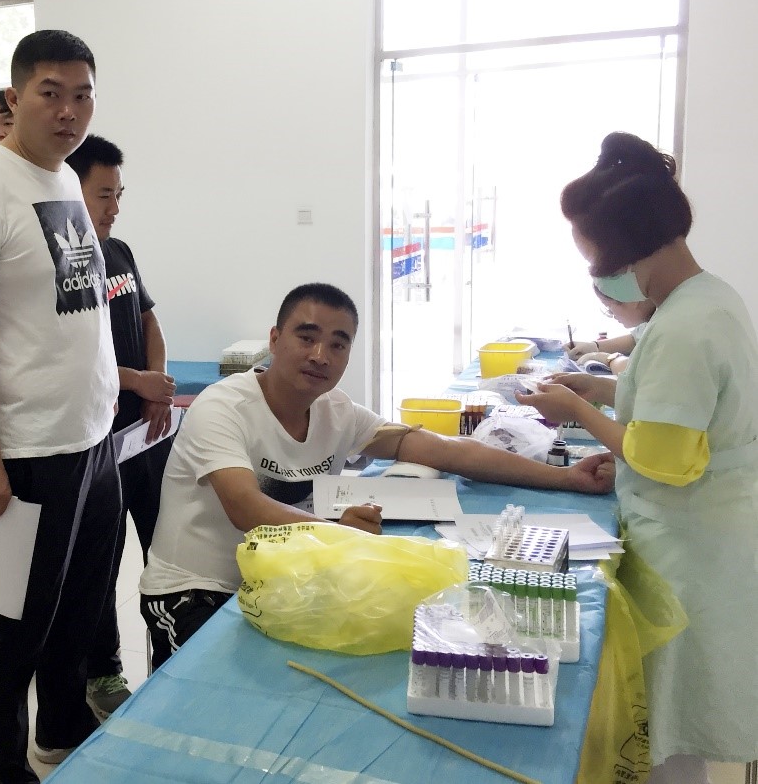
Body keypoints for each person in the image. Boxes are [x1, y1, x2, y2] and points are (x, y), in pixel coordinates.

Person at [139, 282, 617, 669]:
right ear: (274, 340)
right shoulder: (223, 407)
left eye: (338, 344)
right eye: (306, 337)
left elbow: (447, 451)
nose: (321, 355)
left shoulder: (337, 412)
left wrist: (566, 478)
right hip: (197, 590)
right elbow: (246, 508)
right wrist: (337, 531)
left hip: (280, 580)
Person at [517, 132, 758, 784]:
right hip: (704, 532)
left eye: (593, 259)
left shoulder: (686, 326)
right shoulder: (704, 299)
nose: (597, 277)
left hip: (690, 548)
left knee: (670, 729)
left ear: (626, 249)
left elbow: (663, 455)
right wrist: (598, 390)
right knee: (671, 724)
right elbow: (669, 406)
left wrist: (579, 412)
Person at [0, 29, 120, 783]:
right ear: (14, 99)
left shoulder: (64, 177)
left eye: (82, 95)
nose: (68, 110)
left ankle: (63, 723)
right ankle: (2, 771)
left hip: (91, 440)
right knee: (12, 627)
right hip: (27, 449)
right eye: (50, 93)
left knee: (78, 608)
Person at [65, 134, 174, 720]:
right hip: (98, 436)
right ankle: (102, 670)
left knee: (163, 542)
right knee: (100, 561)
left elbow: (149, 320)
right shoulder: (69, 262)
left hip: (145, 434)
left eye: (118, 194)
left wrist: (156, 384)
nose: (113, 207)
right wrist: (137, 382)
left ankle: (170, 653)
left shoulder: (120, 251)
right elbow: (77, 353)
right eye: (103, 194)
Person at [567, 283, 656, 374]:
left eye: (608, 305)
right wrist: (594, 346)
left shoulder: (663, 323)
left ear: (631, 299)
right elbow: (636, 338)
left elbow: (640, 375)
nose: (610, 313)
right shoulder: (656, 316)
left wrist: (610, 359)